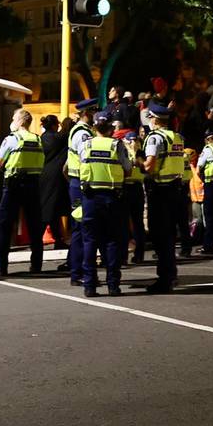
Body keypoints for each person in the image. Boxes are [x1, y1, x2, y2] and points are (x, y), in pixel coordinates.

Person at [78, 113, 131, 296]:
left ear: (93, 127)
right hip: (112, 198)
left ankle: (90, 286)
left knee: (90, 241)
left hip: (90, 198)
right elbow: (128, 170)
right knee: (112, 241)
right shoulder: (117, 145)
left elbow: (76, 169)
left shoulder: (86, 144)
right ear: (110, 128)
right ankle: (113, 285)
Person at [0, 108, 45, 275]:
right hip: (33, 184)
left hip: (13, 185)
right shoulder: (37, 139)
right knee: (35, 226)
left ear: (21, 121)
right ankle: (36, 265)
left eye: (14, 119)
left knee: (5, 224)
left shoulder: (11, 139)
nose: (12, 122)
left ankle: (1, 267)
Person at [140, 103, 183, 293]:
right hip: (175, 189)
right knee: (169, 234)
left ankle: (164, 278)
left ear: (155, 119)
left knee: (160, 235)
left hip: (160, 190)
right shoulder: (176, 137)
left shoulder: (155, 138)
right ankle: (171, 274)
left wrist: (136, 158)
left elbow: (149, 166)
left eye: (149, 118)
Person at [65, 99, 98, 282]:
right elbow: (87, 158)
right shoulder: (82, 134)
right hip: (81, 185)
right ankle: (78, 272)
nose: (95, 116)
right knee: (81, 229)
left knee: (81, 228)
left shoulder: (81, 132)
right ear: (87, 113)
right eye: (93, 112)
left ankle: (77, 269)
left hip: (77, 183)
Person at [36, 115, 68, 260]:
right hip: (57, 176)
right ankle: (46, 240)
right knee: (50, 210)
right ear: (55, 125)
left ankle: (57, 240)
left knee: (47, 208)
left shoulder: (41, 139)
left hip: (43, 175)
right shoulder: (60, 138)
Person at [121, 132, 147, 263]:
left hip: (132, 187)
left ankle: (137, 254)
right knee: (132, 223)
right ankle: (128, 255)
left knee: (133, 223)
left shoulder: (139, 153)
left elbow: (143, 168)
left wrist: (135, 152)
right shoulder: (131, 152)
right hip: (131, 188)